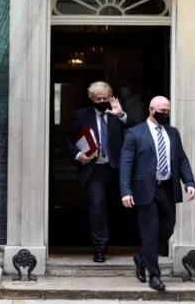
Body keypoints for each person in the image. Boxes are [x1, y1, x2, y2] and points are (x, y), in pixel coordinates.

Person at [119, 96, 195, 291]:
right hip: (145, 190)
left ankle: (142, 257)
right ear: (151, 110)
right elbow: (126, 164)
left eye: (168, 111)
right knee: (150, 234)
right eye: (163, 111)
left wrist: (189, 182)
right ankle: (154, 276)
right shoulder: (135, 133)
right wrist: (125, 191)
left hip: (167, 188)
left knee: (169, 228)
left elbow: (181, 159)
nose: (166, 114)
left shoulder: (173, 133)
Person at [65, 81, 136, 263]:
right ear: (92, 99)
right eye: (99, 99)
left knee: (118, 206)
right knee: (97, 206)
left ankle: (125, 241)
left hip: (117, 169)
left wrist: (122, 116)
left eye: (106, 98)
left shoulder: (117, 114)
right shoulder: (82, 115)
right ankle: (99, 246)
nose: (103, 101)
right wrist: (78, 154)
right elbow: (68, 137)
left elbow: (136, 131)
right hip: (94, 169)